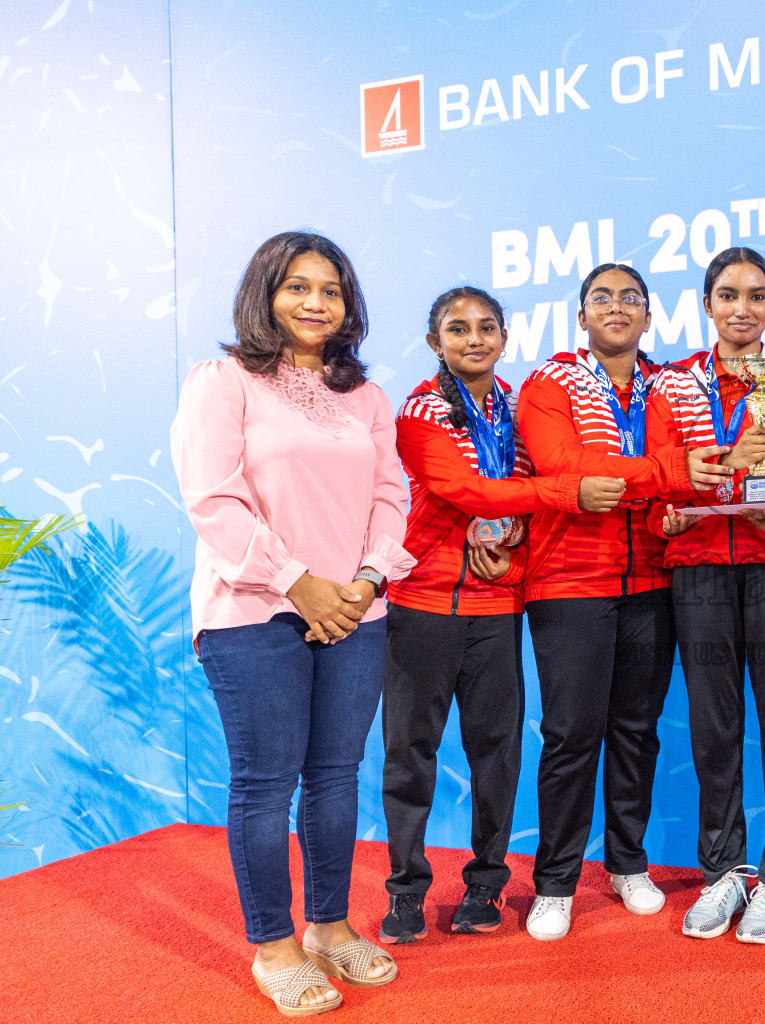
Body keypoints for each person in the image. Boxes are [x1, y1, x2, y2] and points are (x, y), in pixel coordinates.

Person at [171, 231, 412, 1017]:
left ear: (350, 306)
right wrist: (298, 584)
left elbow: (390, 497)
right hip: (253, 613)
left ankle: (330, 927)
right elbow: (213, 497)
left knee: (337, 778)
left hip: (356, 611)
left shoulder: (366, 398)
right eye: (297, 286)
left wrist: (365, 582)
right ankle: (274, 946)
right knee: (267, 783)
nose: (315, 302)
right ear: (265, 293)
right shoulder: (225, 381)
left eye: (331, 290)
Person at [515, 263, 765, 941]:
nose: (618, 307)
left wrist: (665, 482)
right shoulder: (551, 382)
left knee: (636, 731)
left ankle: (628, 862)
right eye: (602, 297)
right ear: (581, 315)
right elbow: (563, 470)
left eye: (632, 297)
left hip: (654, 582)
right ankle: (555, 881)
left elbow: (676, 479)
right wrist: (660, 476)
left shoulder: (666, 388)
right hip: (570, 584)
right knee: (572, 736)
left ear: (650, 316)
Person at [378, 286, 635, 945]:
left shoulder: (519, 410)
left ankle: (485, 887)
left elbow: (522, 506)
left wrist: (515, 540)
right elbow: (466, 490)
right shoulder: (421, 410)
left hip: (498, 606)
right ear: (435, 343)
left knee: (497, 754)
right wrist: (559, 492)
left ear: (503, 336)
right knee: (411, 755)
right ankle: (406, 894)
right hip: (424, 604)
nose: (473, 339)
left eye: (486, 327)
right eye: (457, 329)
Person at [646, 247, 765, 944]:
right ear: (707, 305)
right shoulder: (673, 386)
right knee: (714, 728)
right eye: (727, 295)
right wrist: (692, 495)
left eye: (755, 295)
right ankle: (722, 870)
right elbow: (660, 472)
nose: (741, 308)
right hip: (698, 566)